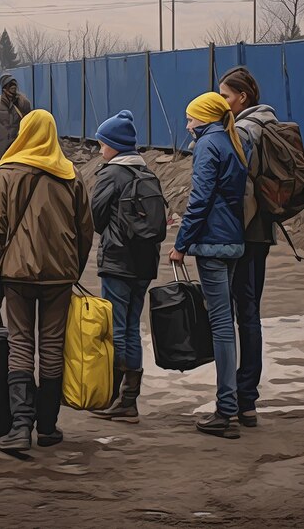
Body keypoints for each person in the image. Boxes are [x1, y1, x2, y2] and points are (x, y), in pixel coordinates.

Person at [0, 109, 93, 453]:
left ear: (23, 133)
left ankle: (19, 427)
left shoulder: (9, 172)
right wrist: (73, 268)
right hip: (59, 277)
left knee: (21, 345)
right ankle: (48, 427)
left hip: (17, 276)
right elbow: (85, 230)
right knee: (52, 347)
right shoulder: (70, 174)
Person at [169, 92, 248, 439]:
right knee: (226, 322)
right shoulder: (231, 142)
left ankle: (225, 409)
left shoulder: (207, 146)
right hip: (232, 240)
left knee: (221, 327)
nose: (188, 125)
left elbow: (200, 200)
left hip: (212, 243)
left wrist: (180, 244)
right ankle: (233, 404)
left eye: (191, 118)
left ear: (204, 118)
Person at [91, 110, 162, 424]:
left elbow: (95, 217)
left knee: (119, 330)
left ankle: (120, 398)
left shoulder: (111, 174)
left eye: (102, 143)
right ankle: (128, 398)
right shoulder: (147, 173)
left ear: (114, 145)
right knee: (132, 327)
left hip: (118, 262)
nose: (100, 150)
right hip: (144, 264)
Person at [219, 66, 277, 427]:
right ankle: (247, 397)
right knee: (250, 310)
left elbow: (238, 188)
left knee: (243, 314)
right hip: (264, 231)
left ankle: (242, 398)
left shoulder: (244, 129)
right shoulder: (271, 122)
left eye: (226, 96)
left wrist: (226, 233)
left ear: (242, 97)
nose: (222, 101)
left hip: (245, 231)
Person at [0, 73, 31, 164]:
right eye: (10, 84)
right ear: (4, 87)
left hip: (19, 147)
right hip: (3, 150)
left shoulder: (23, 102)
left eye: (14, 84)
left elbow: (30, 125)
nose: (13, 87)